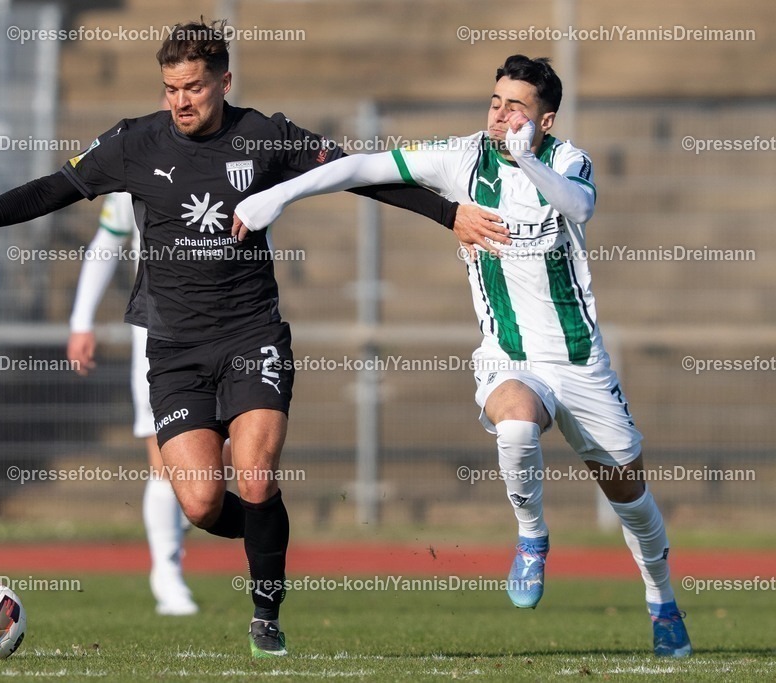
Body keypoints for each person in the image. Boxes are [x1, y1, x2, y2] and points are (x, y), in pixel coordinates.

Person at [0, 19, 505, 658]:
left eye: (193, 87)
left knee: (254, 475)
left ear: (224, 80)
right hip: (174, 349)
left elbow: (358, 173)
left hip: (253, 334)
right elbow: (54, 188)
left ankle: (266, 608)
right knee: (197, 502)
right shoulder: (134, 143)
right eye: (170, 89)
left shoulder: (266, 136)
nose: (181, 101)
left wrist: (449, 213)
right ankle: (269, 535)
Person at [232, 54, 692, 659]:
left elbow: (580, 208)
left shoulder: (565, 161)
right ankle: (531, 537)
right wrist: (278, 197)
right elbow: (362, 166)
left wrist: (527, 157)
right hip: (509, 356)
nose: (500, 116)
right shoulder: (463, 157)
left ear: (545, 121)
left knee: (629, 496)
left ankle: (662, 601)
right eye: (496, 102)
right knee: (517, 425)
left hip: (579, 361)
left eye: (516, 108)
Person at [68, 191, 197, 616]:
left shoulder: (241, 153)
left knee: (220, 461)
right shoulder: (138, 161)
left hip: (235, 327)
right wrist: (81, 321)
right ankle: (167, 571)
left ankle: (175, 554)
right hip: (158, 332)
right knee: (166, 456)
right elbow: (108, 240)